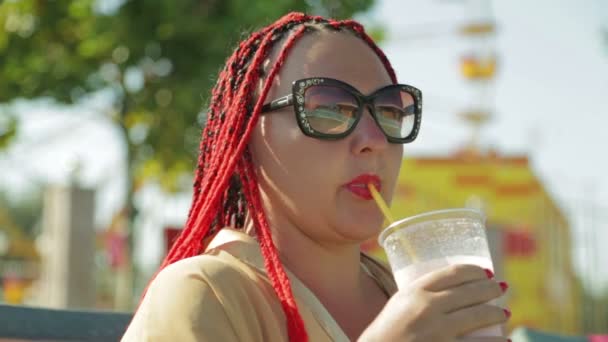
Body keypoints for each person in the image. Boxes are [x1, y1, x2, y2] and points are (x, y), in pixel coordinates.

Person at [122, 12, 510, 342]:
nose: (374, 140)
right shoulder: (204, 291)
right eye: (329, 110)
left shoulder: (412, 297)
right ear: (248, 135)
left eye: (389, 111)